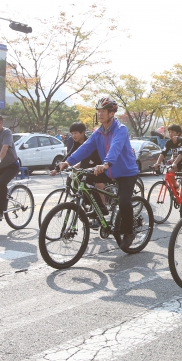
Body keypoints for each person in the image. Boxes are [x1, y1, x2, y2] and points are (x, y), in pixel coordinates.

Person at [59, 97, 140, 250]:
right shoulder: (98, 132)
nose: (100, 114)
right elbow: (85, 148)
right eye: (98, 111)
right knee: (83, 179)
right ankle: (101, 208)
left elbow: (115, 148)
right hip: (109, 170)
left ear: (111, 113)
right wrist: (68, 162)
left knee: (123, 202)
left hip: (126, 172)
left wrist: (106, 163)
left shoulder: (121, 129)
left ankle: (129, 232)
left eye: (103, 111)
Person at [52, 122, 109, 218]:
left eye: (75, 133)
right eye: (72, 133)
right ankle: (88, 203)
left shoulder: (89, 141)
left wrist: (78, 168)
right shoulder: (76, 142)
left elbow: (85, 159)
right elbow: (69, 155)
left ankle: (101, 210)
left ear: (83, 133)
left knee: (97, 187)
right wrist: (57, 168)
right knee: (79, 184)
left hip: (100, 166)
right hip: (89, 167)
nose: (73, 135)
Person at [152, 124, 182, 193]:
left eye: (172, 132)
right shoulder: (169, 142)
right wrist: (158, 163)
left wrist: (174, 163)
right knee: (169, 172)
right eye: (169, 132)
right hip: (176, 163)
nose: (170, 134)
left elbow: (181, 153)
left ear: (178, 133)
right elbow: (163, 153)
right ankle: (176, 186)